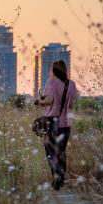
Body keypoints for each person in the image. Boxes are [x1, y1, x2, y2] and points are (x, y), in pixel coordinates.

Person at [34, 60, 78, 190]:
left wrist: (39, 101)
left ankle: (56, 179)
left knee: (50, 152)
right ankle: (61, 179)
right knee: (61, 151)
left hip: (52, 121)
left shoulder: (51, 82)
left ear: (54, 71)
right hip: (66, 123)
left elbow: (49, 100)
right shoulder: (72, 84)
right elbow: (71, 105)